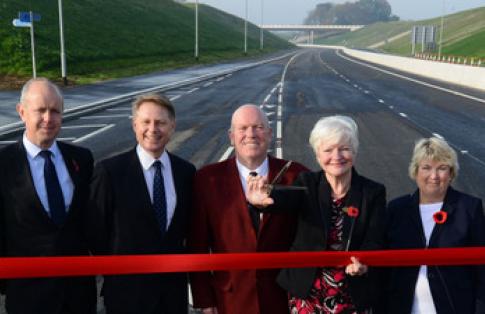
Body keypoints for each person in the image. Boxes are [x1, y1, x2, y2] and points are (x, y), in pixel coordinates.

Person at [247, 115, 386, 314]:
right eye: (328, 150)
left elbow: (375, 238)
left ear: (354, 151)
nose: (336, 156)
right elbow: (284, 200)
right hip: (308, 294)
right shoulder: (306, 182)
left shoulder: (372, 192)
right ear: (318, 155)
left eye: (344, 148)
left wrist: (363, 262)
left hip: (352, 292)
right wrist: (260, 203)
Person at [188, 104, 308, 314]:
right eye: (242, 129)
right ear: (231, 136)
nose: (251, 134)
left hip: (285, 299)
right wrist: (205, 300)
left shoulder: (296, 175)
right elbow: (197, 243)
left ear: (270, 134)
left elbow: (310, 236)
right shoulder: (207, 179)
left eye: (258, 127)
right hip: (230, 299)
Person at [88, 93, 195, 314]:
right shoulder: (109, 172)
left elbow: (188, 229)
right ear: (134, 125)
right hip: (126, 295)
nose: (153, 129)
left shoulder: (186, 172)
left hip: (172, 296)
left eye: (161, 122)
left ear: (172, 126)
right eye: (146, 122)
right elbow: (95, 233)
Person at [0, 78, 96, 314]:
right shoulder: (3, 164)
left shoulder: (82, 159)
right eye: (40, 110)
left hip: (79, 295)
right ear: (22, 112)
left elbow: (92, 220)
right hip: (27, 296)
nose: (48, 118)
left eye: (55, 111)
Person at [385, 137, 485, 314]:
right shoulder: (396, 210)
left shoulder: (469, 208)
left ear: (451, 174)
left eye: (442, 168)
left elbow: (482, 269)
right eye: (426, 168)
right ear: (415, 172)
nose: (434, 176)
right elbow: (385, 267)